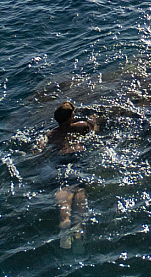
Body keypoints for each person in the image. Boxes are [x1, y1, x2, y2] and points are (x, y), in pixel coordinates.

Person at [45, 101, 100, 249]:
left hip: (59, 161)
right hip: (76, 158)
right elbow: (94, 133)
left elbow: (44, 147)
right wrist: (94, 123)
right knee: (79, 189)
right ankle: (77, 225)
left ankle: (65, 221)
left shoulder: (50, 134)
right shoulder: (81, 126)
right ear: (71, 117)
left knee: (63, 190)